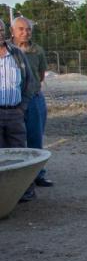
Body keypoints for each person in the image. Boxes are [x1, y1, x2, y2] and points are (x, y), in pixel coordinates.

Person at [12, 17, 53, 191]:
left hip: (34, 100)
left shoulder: (38, 50)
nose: (25, 32)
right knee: (13, 141)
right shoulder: (6, 50)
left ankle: (37, 175)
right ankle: (16, 178)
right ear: (12, 31)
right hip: (12, 103)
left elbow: (41, 75)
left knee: (35, 138)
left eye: (28, 29)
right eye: (21, 29)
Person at [0, 21, 38, 172]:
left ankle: (23, 192)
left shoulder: (16, 54)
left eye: (1, 30)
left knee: (20, 153)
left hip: (15, 113)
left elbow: (30, 82)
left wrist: (22, 107)